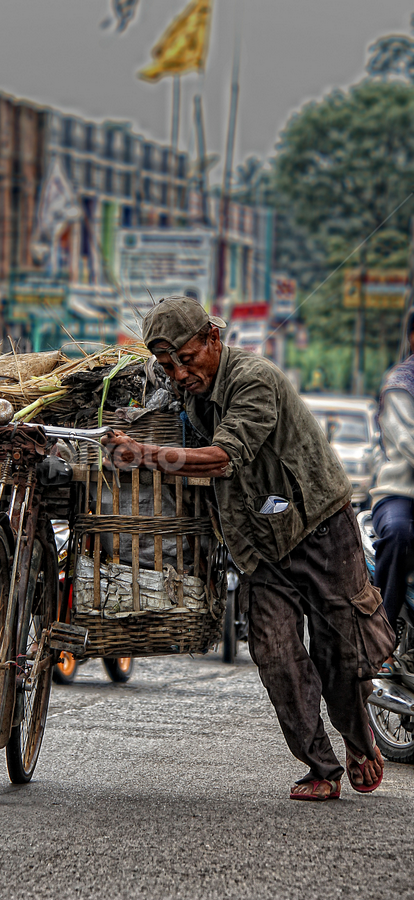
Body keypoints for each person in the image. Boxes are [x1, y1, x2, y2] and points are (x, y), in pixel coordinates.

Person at [102, 296, 395, 802]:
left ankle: (358, 740)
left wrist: (144, 455)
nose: (179, 373)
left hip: (320, 528)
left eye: (186, 360)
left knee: (339, 652)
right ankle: (320, 766)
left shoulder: (252, 379)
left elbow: (221, 459)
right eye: (168, 365)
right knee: (276, 653)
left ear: (213, 338)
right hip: (260, 545)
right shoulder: (185, 394)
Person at [371, 307, 414, 647]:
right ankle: (383, 633)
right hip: (400, 492)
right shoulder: (401, 385)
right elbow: (406, 441)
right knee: (398, 535)